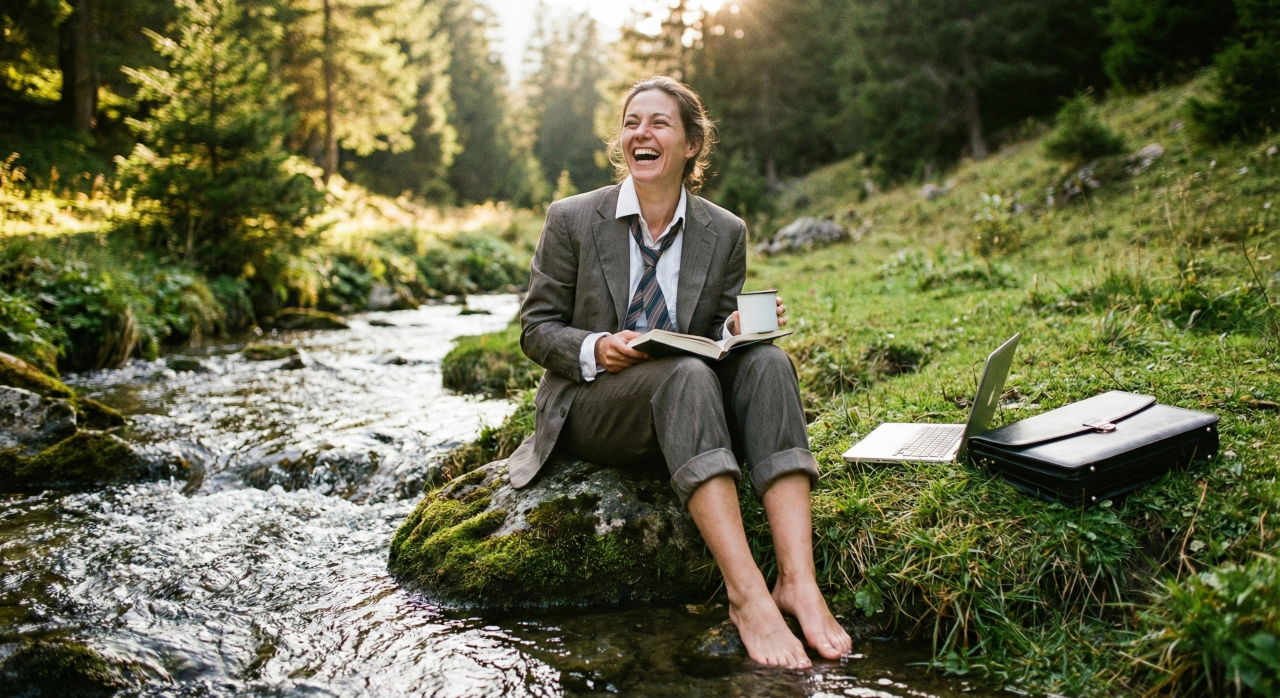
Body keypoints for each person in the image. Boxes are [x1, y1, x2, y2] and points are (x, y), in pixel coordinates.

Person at [507, 76, 852, 669]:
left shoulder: (725, 231)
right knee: (685, 376)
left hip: (687, 404)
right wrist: (596, 346)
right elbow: (536, 328)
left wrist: (734, 330)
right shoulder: (571, 218)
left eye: (658, 123)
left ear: (691, 144)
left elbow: (712, 330)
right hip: (596, 407)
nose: (640, 133)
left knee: (769, 363)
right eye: (631, 122)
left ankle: (799, 583)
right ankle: (747, 596)